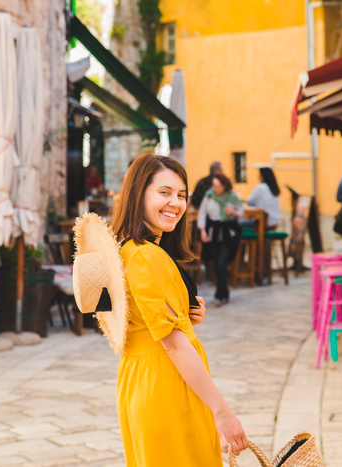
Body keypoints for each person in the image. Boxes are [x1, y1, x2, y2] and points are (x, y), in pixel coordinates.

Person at [110, 154, 248, 466]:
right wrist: (222, 413)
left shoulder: (132, 248)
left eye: (181, 195)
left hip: (143, 378)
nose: (175, 202)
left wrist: (184, 317)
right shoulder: (147, 256)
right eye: (164, 192)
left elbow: (144, 321)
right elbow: (173, 344)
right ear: (138, 194)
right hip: (165, 384)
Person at [197, 173, 244, 306]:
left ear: (224, 185)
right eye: (214, 186)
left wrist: (232, 212)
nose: (216, 188)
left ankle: (220, 294)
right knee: (217, 263)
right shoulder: (209, 195)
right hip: (214, 232)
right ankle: (224, 293)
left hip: (228, 232)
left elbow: (241, 211)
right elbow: (202, 213)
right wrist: (202, 230)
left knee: (222, 263)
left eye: (219, 186)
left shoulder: (231, 196)